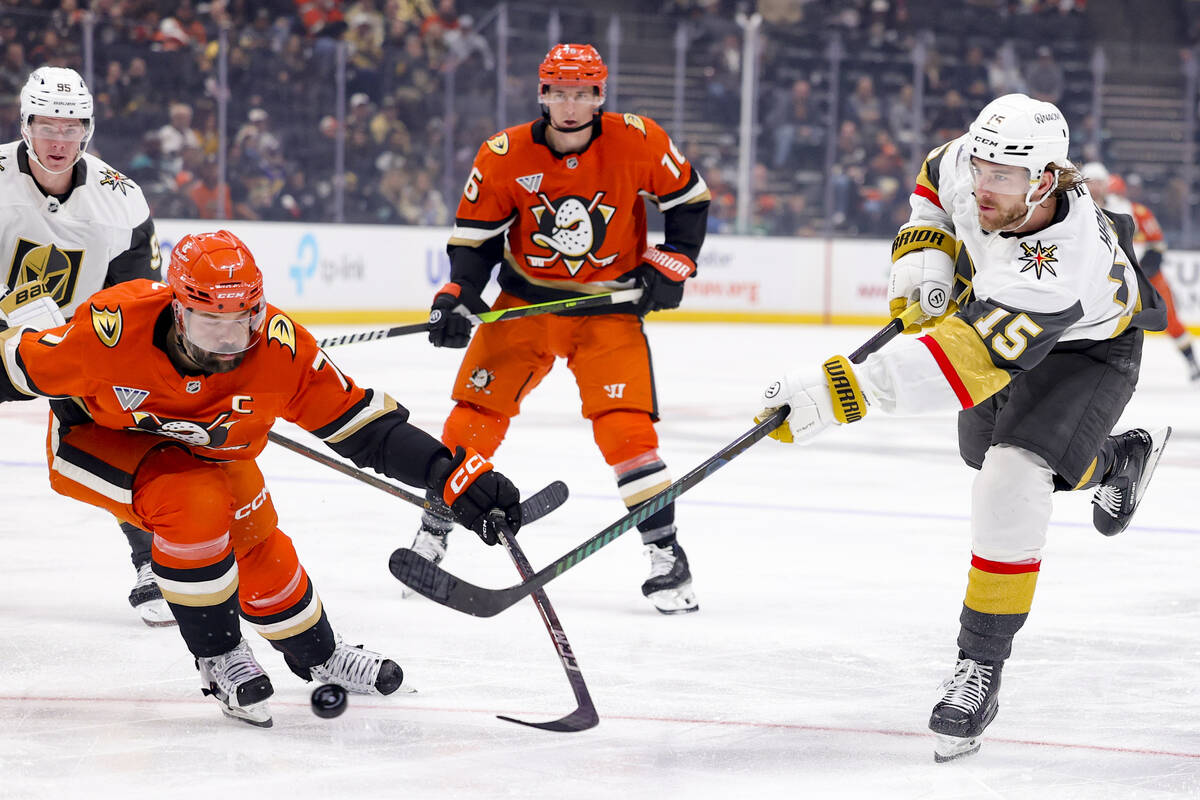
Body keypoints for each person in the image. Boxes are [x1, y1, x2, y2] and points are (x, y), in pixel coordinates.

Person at [754, 94, 1170, 761]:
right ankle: (1117, 462)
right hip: (994, 318)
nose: (983, 185)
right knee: (982, 451)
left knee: (1012, 478)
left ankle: (980, 667)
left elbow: (962, 364)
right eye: (981, 166)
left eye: (1003, 177)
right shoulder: (971, 166)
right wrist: (926, 256)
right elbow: (932, 179)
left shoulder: (1059, 264)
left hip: (1088, 352)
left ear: (1047, 179)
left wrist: (839, 392)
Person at [0, 230, 523, 727]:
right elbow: (19, 362)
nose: (231, 340)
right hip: (94, 438)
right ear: (178, 311)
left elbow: (367, 430)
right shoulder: (113, 330)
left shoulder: (280, 346)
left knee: (253, 531)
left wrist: (451, 474)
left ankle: (317, 653)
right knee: (195, 502)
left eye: (244, 320)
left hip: (200, 447)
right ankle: (220, 655)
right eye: (212, 323)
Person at [407, 43, 711, 615]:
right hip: (525, 306)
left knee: (627, 432)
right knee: (473, 416)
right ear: (542, 93)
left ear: (600, 96)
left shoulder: (639, 139)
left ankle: (666, 554)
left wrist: (675, 261)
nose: (570, 104)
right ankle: (435, 529)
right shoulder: (503, 154)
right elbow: (475, 242)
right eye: (559, 91)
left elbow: (690, 202)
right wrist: (458, 296)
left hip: (607, 313)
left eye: (582, 93)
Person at [0, 66, 170, 626]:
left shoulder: (119, 199)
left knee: (121, 433)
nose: (58, 140)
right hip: (1, 336)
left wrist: (120, 351)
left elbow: (137, 297)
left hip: (76, 344)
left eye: (71, 128)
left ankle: (151, 563)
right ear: (25, 125)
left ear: (87, 132)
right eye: (47, 125)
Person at [1082, 162, 1200, 382]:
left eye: (1099, 182)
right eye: (1090, 182)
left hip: (1146, 276)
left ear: (1106, 184)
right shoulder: (1076, 211)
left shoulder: (1132, 210)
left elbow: (1157, 246)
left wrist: (1143, 271)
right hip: (1104, 279)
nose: (1095, 188)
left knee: (1169, 318)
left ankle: (1192, 362)